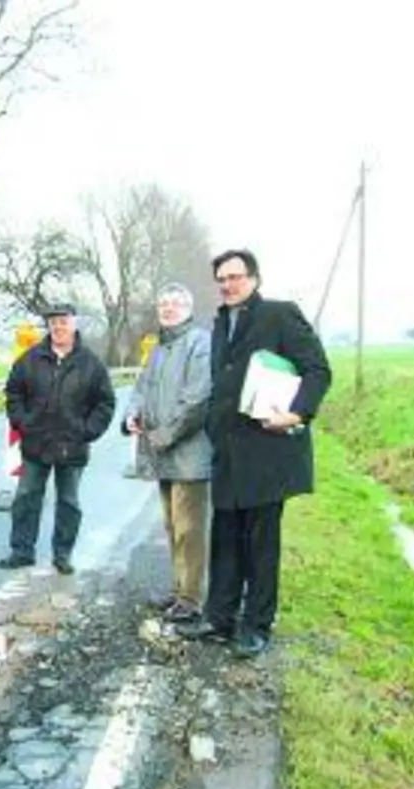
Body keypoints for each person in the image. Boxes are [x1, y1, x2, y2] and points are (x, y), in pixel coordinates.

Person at [181, 249, 332, 657]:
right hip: (228, 451)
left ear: (255, 278)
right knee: (225, 538)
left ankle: (257, 627)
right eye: (222, 279)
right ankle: (218, 618)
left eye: (236, 276)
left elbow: (318, 369)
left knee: (261, 544)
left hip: (268, 450)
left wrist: (298, 412)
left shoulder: (280, 315)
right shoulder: (219, 325)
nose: (228, 285)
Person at [0, 302, 117, 574]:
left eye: (63, 321)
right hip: (35, 443)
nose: (58, 326)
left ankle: (62, 554)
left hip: (72, 446)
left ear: (74, 323)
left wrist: (87, 431)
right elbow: (13, 393)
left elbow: (105, 403)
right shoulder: (29, 359)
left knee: (69, 502)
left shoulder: (91, 364)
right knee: (27, 497)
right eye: (53, 322)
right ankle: (21, 551)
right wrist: (22, 422)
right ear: (48, 326)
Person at [121, 284, 214, 625]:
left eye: (176, 304)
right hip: (163, 454)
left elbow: (197, 400)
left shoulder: (199, 344)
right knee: (172, 525)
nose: (168, 308)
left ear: (189, 308)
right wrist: (131, 415)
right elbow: (142, 388)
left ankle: (191, 599)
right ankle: (178, 591)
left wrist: (162, 435)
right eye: (163, 303)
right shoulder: (160, 346)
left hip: (189, 454)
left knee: (190, 530)